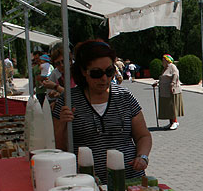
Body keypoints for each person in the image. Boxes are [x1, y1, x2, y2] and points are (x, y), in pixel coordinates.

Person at [53, 40, 152, 183]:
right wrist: (62, 123)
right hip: (87, 183)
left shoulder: (124, 96)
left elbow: (143, 136)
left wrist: (142, 157)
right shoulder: (68, 100)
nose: (104, 78)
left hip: (129, 181)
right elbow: (59, 147)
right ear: (83, 71)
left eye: (109, 71)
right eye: (96, 73)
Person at [154, 54, 183, 130]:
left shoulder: (172, 66)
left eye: (163, 60)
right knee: (167, 107)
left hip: (171, 90)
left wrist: (173, 83)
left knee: (172, 106)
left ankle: (175, 122)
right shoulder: (165, 68)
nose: (162, 61)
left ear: (167, 60)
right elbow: (164, 78)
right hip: (164, 91)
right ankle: (170, 122)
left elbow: (176, 74)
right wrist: (157, 82)